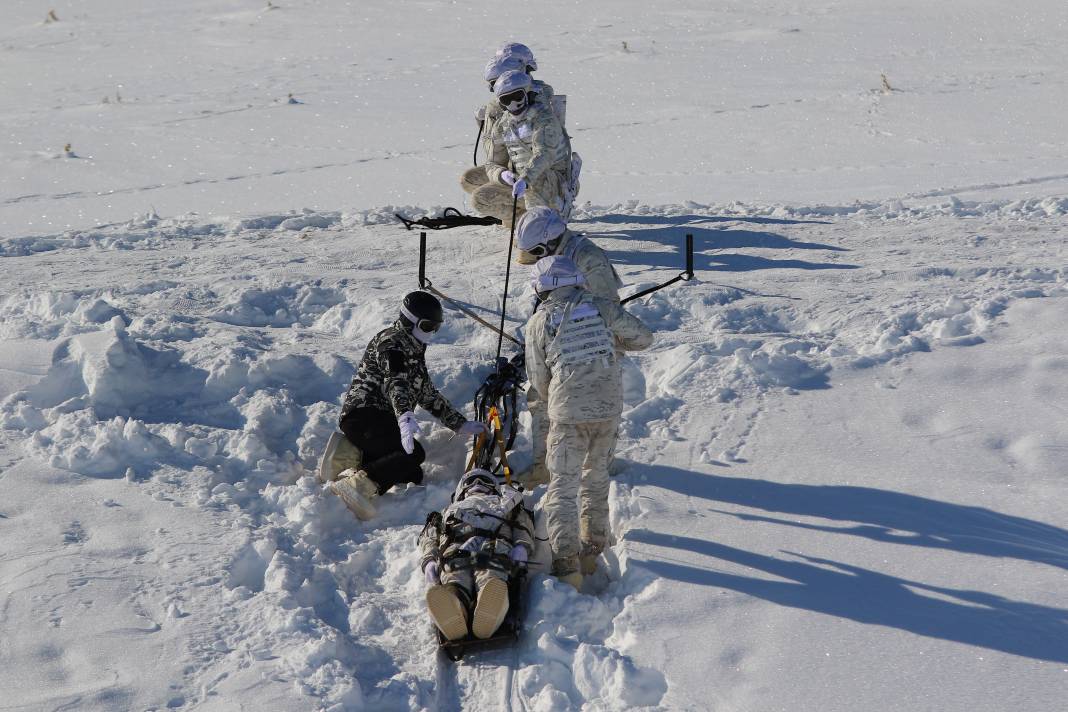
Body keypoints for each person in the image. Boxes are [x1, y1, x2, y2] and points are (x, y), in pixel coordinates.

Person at [523, 256, 653, 588]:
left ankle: (566, 563)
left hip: (568, 413)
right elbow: (643, 338)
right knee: (595, 478)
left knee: (563, 486)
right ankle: (593, 548)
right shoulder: (601, 308)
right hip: (608, 409)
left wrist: (556, 397)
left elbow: (538, 377)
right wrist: (611, 343)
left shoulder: (540, 321)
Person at [329, 291, 487, 519]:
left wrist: (460, 425)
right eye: (427, 326)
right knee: (414, 454)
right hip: (364, 415)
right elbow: (397, 382)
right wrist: (404, 416)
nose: (432, 332)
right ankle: (356, 487)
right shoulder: (391, 343)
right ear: (409, 321)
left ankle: (345, 454)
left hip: (380, 423)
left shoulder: (413, 349)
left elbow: (427, 393)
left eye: (436, 327)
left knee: (411, 473)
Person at [513, 206, 623, 486]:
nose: (535, 259)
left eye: (537, 251)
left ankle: (592, 470)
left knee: (581, 407)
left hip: (592, 353)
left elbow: (608, 313)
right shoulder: (556, 254)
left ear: (551, 240)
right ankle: (547, 467)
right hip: (561, 346)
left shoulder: (589, 260)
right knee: (540, 398)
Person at [419, 469, 535, 640]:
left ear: (495, 488)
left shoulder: (507, 503)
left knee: (490, 576)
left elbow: (523, 526)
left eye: (484, 481)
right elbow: (429, 537)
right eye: (471, 482)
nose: (477, 484)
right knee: (454, 579)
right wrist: (429, 560)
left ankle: (490, 606)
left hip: (493, 546)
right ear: (461, 490)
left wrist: (522, 547)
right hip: (455, 550)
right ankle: (455, 605)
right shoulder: (447, 511)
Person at [466, 70, 576, 228]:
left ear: (527, 94)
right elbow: (492, 163)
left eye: (517, 97)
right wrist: (502, 175)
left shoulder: (544, 119)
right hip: (522, 182)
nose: (513, 104)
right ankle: (527, 224)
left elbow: (544, 155)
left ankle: (544, 226)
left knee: (536, 180)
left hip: (552, 184)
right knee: (481, 198)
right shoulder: (503, 125)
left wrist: (525, 179)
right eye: (506, 100)